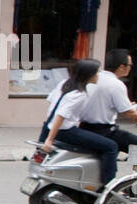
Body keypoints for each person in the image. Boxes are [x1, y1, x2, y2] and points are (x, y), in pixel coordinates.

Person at [41, 59, 119, 187]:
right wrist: (50, 140)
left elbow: (51, 103)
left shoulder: (64, 83)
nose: (98, 76)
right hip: (65, 131)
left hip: (49, 127)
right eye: (96, 73)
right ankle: (109, 185)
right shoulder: (79, 94)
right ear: (88, 75)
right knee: (111, 147)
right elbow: (61, 116)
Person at [78, 49, 137, 165]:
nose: (131, 68)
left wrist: (126, 106)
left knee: (129, 143)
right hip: (104, 131)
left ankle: (132, 168)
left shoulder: (94, 78)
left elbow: (104, 104)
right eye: (130, 65)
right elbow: (132, 115)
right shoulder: (116, 84)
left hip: (84, 127)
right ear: (122, 67)